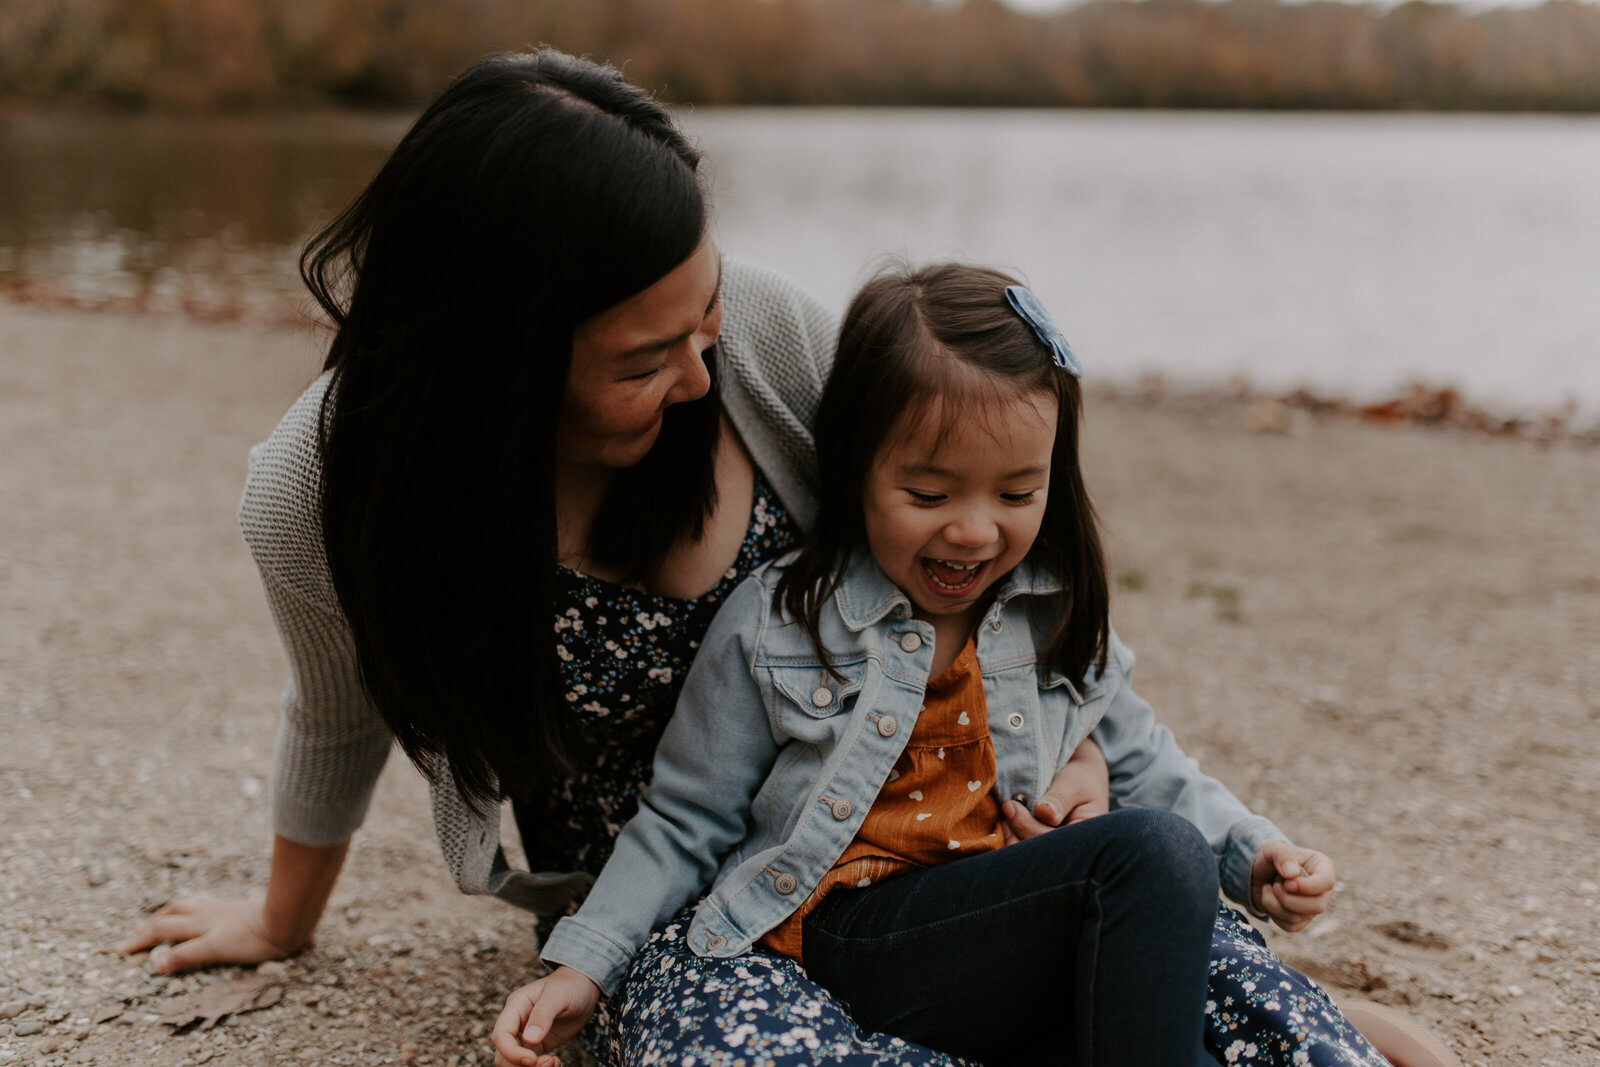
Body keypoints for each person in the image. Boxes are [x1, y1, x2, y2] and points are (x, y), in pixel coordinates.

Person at [118, 48, 1452, 1067]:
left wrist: (1067, 756)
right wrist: (284, 918)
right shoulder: (320, 491)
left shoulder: (753, 334)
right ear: (499, 361)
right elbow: (335, 702)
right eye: (646, 358)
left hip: (925, 853)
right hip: (679, 910)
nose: (701, 367)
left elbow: (980, 532)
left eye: (702, 313)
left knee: (1174, 911)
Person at [490, 265, 1389, 1066]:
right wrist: (586, 963)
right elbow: (684, 817)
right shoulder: (779, 621)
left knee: (1174, 902)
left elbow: (1152, 763)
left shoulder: (1051, 613)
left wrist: (1255, 851)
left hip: (997, 942)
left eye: (1016, 492)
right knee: (1152, 854)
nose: (972, 528)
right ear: (854, 470)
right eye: (928, 493)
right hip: (851, 936)